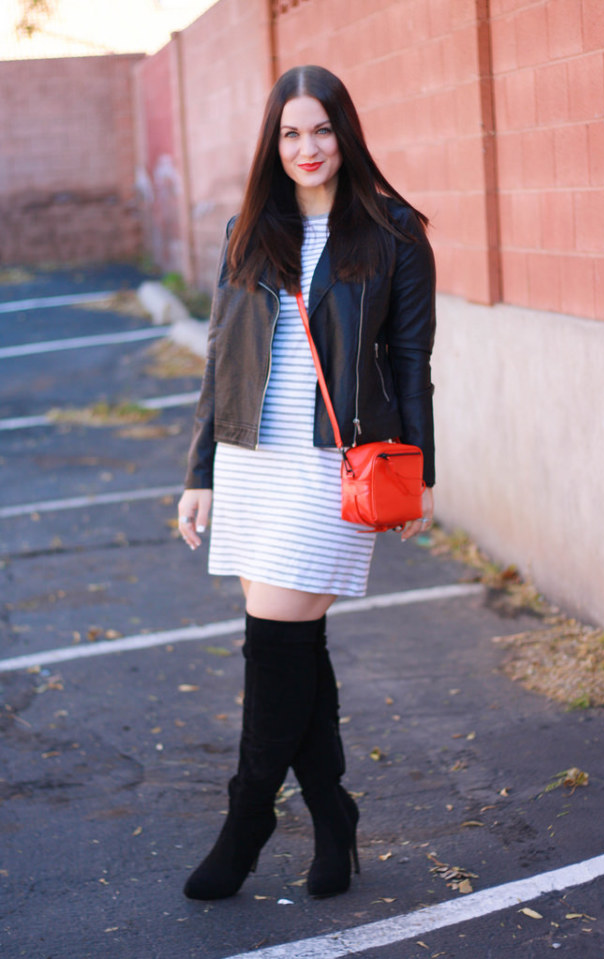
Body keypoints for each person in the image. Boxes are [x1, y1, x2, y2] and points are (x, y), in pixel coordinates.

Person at [177, 64, 436, 901]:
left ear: (345, 133)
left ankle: (248, 817)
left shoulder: (393, 234)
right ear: (273, 143)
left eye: (320, 129)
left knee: (274, 644)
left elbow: (409, 362)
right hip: (255, 462)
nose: (307, 147)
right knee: (293, 650)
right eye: (290, 133)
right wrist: (201, 472)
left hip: (336, 466)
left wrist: (416, 474)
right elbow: (221, 357)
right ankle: (332, 814)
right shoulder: (248, 231)